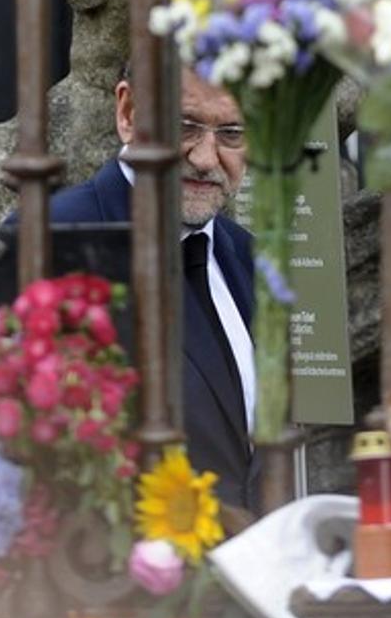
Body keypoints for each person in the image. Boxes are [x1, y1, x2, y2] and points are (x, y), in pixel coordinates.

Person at [44, 66, 259, 511]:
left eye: (232, 133)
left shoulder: (246, 255)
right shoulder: (51, 241)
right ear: (127, 112)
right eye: (183, 126)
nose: (205, 157)